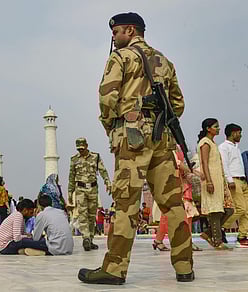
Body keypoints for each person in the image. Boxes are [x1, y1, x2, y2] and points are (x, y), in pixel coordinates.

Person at [79, 12, 194, 285]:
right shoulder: (164, 61)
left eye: (117, 32)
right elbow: (177, 104)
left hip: (132, 138)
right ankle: (184, 267)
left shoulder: (120, 58)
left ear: (130, 31)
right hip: (161, 137)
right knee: (173, 204)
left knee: (126, 203)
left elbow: (107, 98)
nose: (113, 37)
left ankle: (114, 269)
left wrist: (113, 127)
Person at [68, 137, 111, 251]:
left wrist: (108, 182)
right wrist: (69, 193)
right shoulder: (74, 160)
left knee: (92, 216)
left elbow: (102, 170)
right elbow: (71, 178)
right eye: (79, 149)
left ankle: (90, 239)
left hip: (92, 189)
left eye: (82, 148)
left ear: (86, 146)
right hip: (80, 189)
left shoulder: (95, 157)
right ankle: (85, 237)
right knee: (83, 214)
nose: (80, 151)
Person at [197, 118, 234, 250]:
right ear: (208, 128)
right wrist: (209, 181)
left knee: (229, 210)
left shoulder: (212, 143)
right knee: (215, 211)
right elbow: (205, 163)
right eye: (215, 126)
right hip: (211, 180)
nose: (218, 128)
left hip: (219, 181)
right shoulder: (205, 143)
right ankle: (217, 241)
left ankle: (207, 234)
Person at [219, 123, 248, 247]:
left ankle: (242, 236)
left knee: (246, 211)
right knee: (240, 208)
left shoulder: (236, 148)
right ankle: (219, 228)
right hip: (234, 181)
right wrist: (229, 180)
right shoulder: (224, 147)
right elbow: (224, 165)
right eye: (239, 133)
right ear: (233, 133)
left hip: (243, 180)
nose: (240, 135)